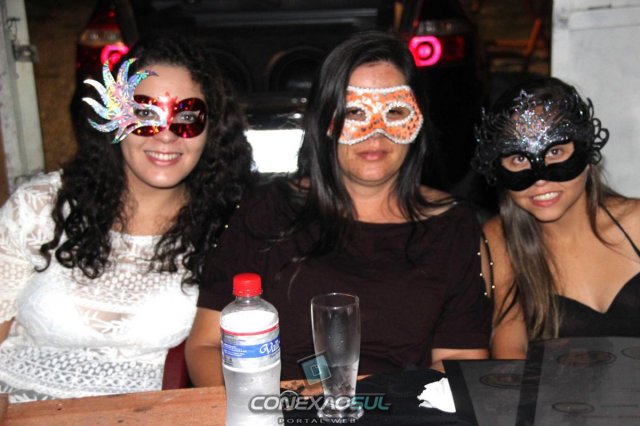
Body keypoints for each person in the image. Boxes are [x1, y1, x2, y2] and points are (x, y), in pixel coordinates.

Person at [186, 31, 492, 386]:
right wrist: (255, 409)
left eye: (394, 111)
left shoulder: (452, 228)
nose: (375, 132)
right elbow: (207, 345)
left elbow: (459, 362)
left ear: (418, 118)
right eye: (355, 112)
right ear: (323, 120)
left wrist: (393, 405)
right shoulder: (266, 211)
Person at [0, 35, 253, 402]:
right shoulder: (40, 206)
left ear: (211, 130)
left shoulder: (228, 228)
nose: (166, 136)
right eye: (145, 115)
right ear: (114, 118)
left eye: (186, 118)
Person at [473, 77, 640, 359]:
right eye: (519, 158)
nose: (540, 179)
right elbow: (510, 352)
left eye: (555, 151)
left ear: (586, 154)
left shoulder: (636, 222)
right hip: (557, 390)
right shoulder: (501, 238)